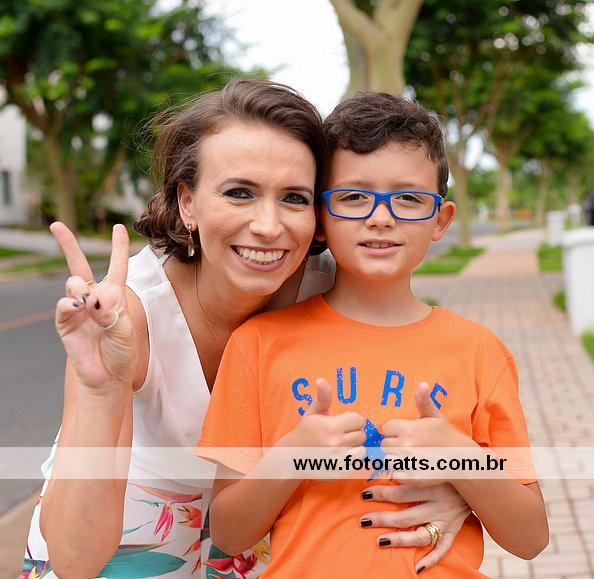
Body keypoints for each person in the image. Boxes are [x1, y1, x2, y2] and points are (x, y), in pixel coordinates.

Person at [22, 78, 471, 578]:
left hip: (256, 537)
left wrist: (463, 494)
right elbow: (75, 561)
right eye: (240, 192)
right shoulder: (128, 318)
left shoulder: (333, 290)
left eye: (294, 198)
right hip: (127, 533)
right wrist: (101, 389)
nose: (268, 226)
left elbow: (428, 413)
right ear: (187, 202)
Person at [197, 92, 549, 577]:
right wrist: (294, 455)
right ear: (320, 218)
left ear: (441, 220)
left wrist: (461, 459)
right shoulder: (258, 345)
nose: (380, 217)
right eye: (354, 197)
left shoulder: (479, 352)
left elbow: (530, 538)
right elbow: (229, 533)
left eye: (408, 198)